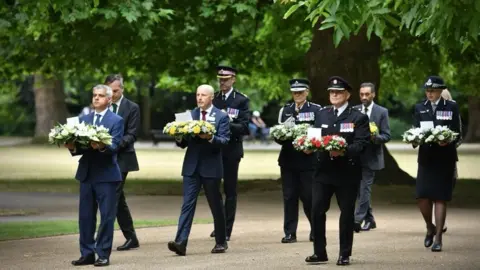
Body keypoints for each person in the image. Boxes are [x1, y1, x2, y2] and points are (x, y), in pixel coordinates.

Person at [306, 76, 369, 266]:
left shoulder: (358, 117)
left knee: (346, 213)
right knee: (316, 210)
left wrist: (343, 151)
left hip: (346, 173)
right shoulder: (322, 114)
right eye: (331, 92)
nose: (334, 95)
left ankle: (344, 254)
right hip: (323, 171)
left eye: (338, 92)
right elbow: (314, 137)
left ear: (347, 94)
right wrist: (308, 147)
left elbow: (361, 145)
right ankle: (319, 252)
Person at [167, 84, 230, 256]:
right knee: (187, 204)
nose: (200, 98)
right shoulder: (189, 115)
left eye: (203, 95)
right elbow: (183, 143)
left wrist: (210, 137)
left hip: (211, 167)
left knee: (215, 204)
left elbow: (224, 141)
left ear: (211, 97)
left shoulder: (221, 116)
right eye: (197, 95)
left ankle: (221, 241)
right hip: (191, 166)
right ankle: (180, 242)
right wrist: (178, 135)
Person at [66, 84, 125, 267]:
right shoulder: (83, 119)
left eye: (100, 96)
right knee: (85, 217)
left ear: (109, 99)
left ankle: (103, 254)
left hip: (107, 175)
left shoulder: (116, 120)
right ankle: (87, 253)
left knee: (107, 217)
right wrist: (73, 147)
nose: (96, 98)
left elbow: (115, 146)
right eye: (94, 95)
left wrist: (100, 146)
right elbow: (80, 147)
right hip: (86, 174)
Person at [413, 77, 461, 252]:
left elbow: (458, 133)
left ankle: (439, 237)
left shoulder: (451, 107)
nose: (430, 93)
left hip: (445, 158)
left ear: (441, 91)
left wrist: (448, 141)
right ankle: (429, 227)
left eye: (433, 90)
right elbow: (415, 128)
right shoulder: (420, 107)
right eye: (427, 90)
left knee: (440, 197)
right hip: (426, 158)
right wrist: (414, 139)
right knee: (422, 196)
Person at [275, 78, 321, 243]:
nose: (297, 95)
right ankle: (290, 233)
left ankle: (316, 229)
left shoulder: (316, 109)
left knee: (309, 197)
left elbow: (319, 132)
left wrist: (311, 145)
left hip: (308, 160)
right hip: (288, 160)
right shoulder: (285, 110)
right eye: (294, 92)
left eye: (300, 92)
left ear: (307, 92)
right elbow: (279, 134)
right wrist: (280, 136)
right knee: (289, 197)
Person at [211, 65, 250, 241]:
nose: (222, 82)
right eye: (220, 79)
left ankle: (227, 228)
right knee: (213, 189)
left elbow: (244, 127)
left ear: (233, 79)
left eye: (226, 79)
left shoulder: (241, 100)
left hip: (232, 150)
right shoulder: (214, 99)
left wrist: (225, 123)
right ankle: (218, 224)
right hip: (214, 150)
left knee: (230, 190)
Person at [104, 74, 141, 251]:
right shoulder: (103, 106)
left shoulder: (132, 107)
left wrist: (114, 144)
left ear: (122, 89)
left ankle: (103, 238)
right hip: (103, 158)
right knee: (118, 200)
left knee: (112, 195)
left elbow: (132, 134)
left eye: (116, 91)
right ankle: (131, 237)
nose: (112, 94)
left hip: (122, 158)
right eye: (109, 91)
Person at [353, 82, 391, 232]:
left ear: (373, 94)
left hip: (372, 156)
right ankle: (370, 219)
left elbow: (387, 135)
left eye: (367, 94)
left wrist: (375, 138)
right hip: (356, 156)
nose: (363, 97)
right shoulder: (354, 110)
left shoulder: (382, 112)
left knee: (365, 188)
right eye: (361, 94)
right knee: (358, 190)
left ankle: (357, 219)